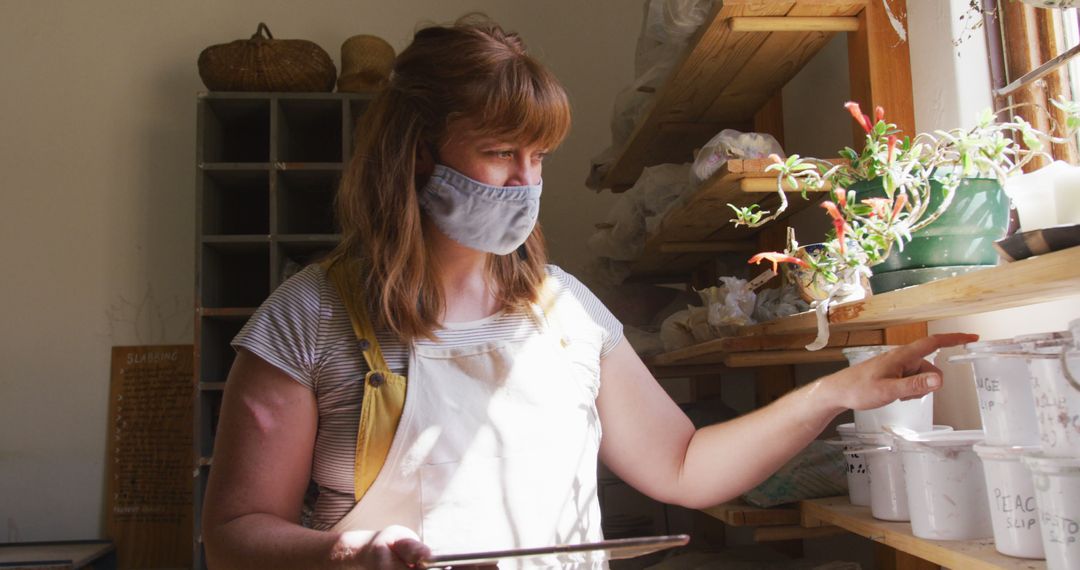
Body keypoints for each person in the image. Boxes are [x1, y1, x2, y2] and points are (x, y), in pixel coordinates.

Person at [201, 14, 977, 570]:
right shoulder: (309, 319)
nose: (525, 182)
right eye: (501, 151)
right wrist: (340, 554)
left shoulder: (563, 308)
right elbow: (233, 531)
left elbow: (682, 465)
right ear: (414, 156)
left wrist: (835, 392)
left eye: (538, 156)